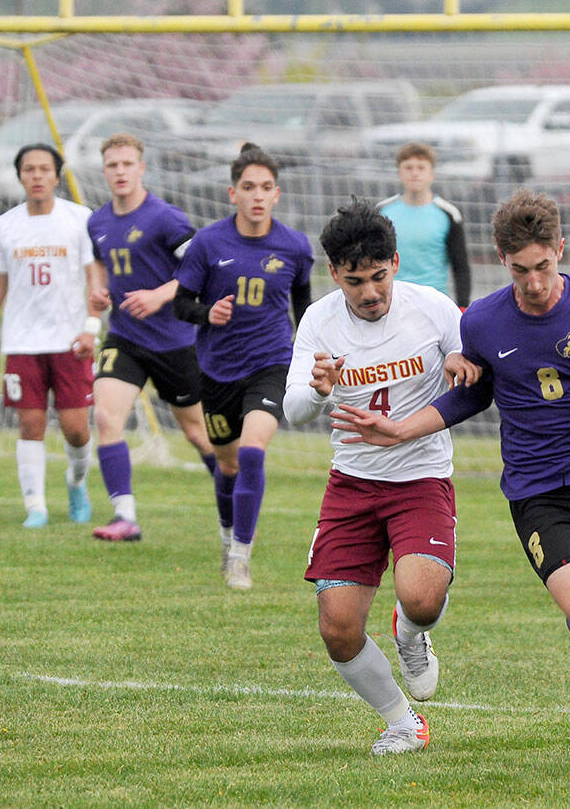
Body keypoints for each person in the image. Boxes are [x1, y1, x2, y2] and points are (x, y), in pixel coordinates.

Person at [333, 190, 570, 765]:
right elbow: (470, 395)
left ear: (559, 250)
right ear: (502, 259)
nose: (534, 282)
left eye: (543, 266)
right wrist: (401, 429)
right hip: (539, 496)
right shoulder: (482, 320)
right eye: (521, 270)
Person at [285, 197, 480, 756]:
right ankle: (402, 723)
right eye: (355, 282)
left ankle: (411, 634)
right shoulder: (318, 320)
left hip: (421, 477)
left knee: (421, 600)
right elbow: (294, 409)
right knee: (337, 628)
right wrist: (318, 391)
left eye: (378, 276)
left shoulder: (433, 308)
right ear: (334, 274)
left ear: (395, 263)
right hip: (351, 483)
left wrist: (460, 363)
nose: (369, 292)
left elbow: (471, 372)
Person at [172, 143, 314, 590]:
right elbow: (180, 304)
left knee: (253, 452)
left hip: (271, 364)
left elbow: (305, 308)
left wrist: (310, 352)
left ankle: (240, 557)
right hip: (217, 371)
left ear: (277, 194)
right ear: (233, 193)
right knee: (228, 465)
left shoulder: (295, 247)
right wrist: (207, 313)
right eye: (249, 187)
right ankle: (226, 536)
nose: (257, 195)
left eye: (266, 187)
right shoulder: (208, 243)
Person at [0, 143, 101, 528]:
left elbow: (95, 278)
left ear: (57, 175)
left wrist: (91, 328)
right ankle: (36, 506)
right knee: (30, 424)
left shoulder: (80, 219)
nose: (36, 176)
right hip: (22, 342)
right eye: (28, 169)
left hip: (71, 343)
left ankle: (76, 482)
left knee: (76, 429)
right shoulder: (6, 226)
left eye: (43, 169)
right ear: (20, 175)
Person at [86, 133, 217, 543]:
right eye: (113, 165)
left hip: (174, 341)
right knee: (106, 417)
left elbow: (201, 269)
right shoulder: (97, 222)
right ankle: (124, 517)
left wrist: (159, 295)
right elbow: (99, 263)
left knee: (197, 433)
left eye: (127, 164)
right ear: (104, 171)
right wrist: (98, 291)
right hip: (124, 338)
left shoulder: (165, 219)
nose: (120, 171)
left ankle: (234, 494)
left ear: (141, 168)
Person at [377, 142, 471, 308]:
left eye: (421, 168)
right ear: (399, 172)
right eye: (408, 167)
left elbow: (460, 267)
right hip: (392, 303)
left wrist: (462, 307)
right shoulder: (382, 212)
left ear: (431, 174)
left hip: (434, 304)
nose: (414, 173)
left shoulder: (449, 214)